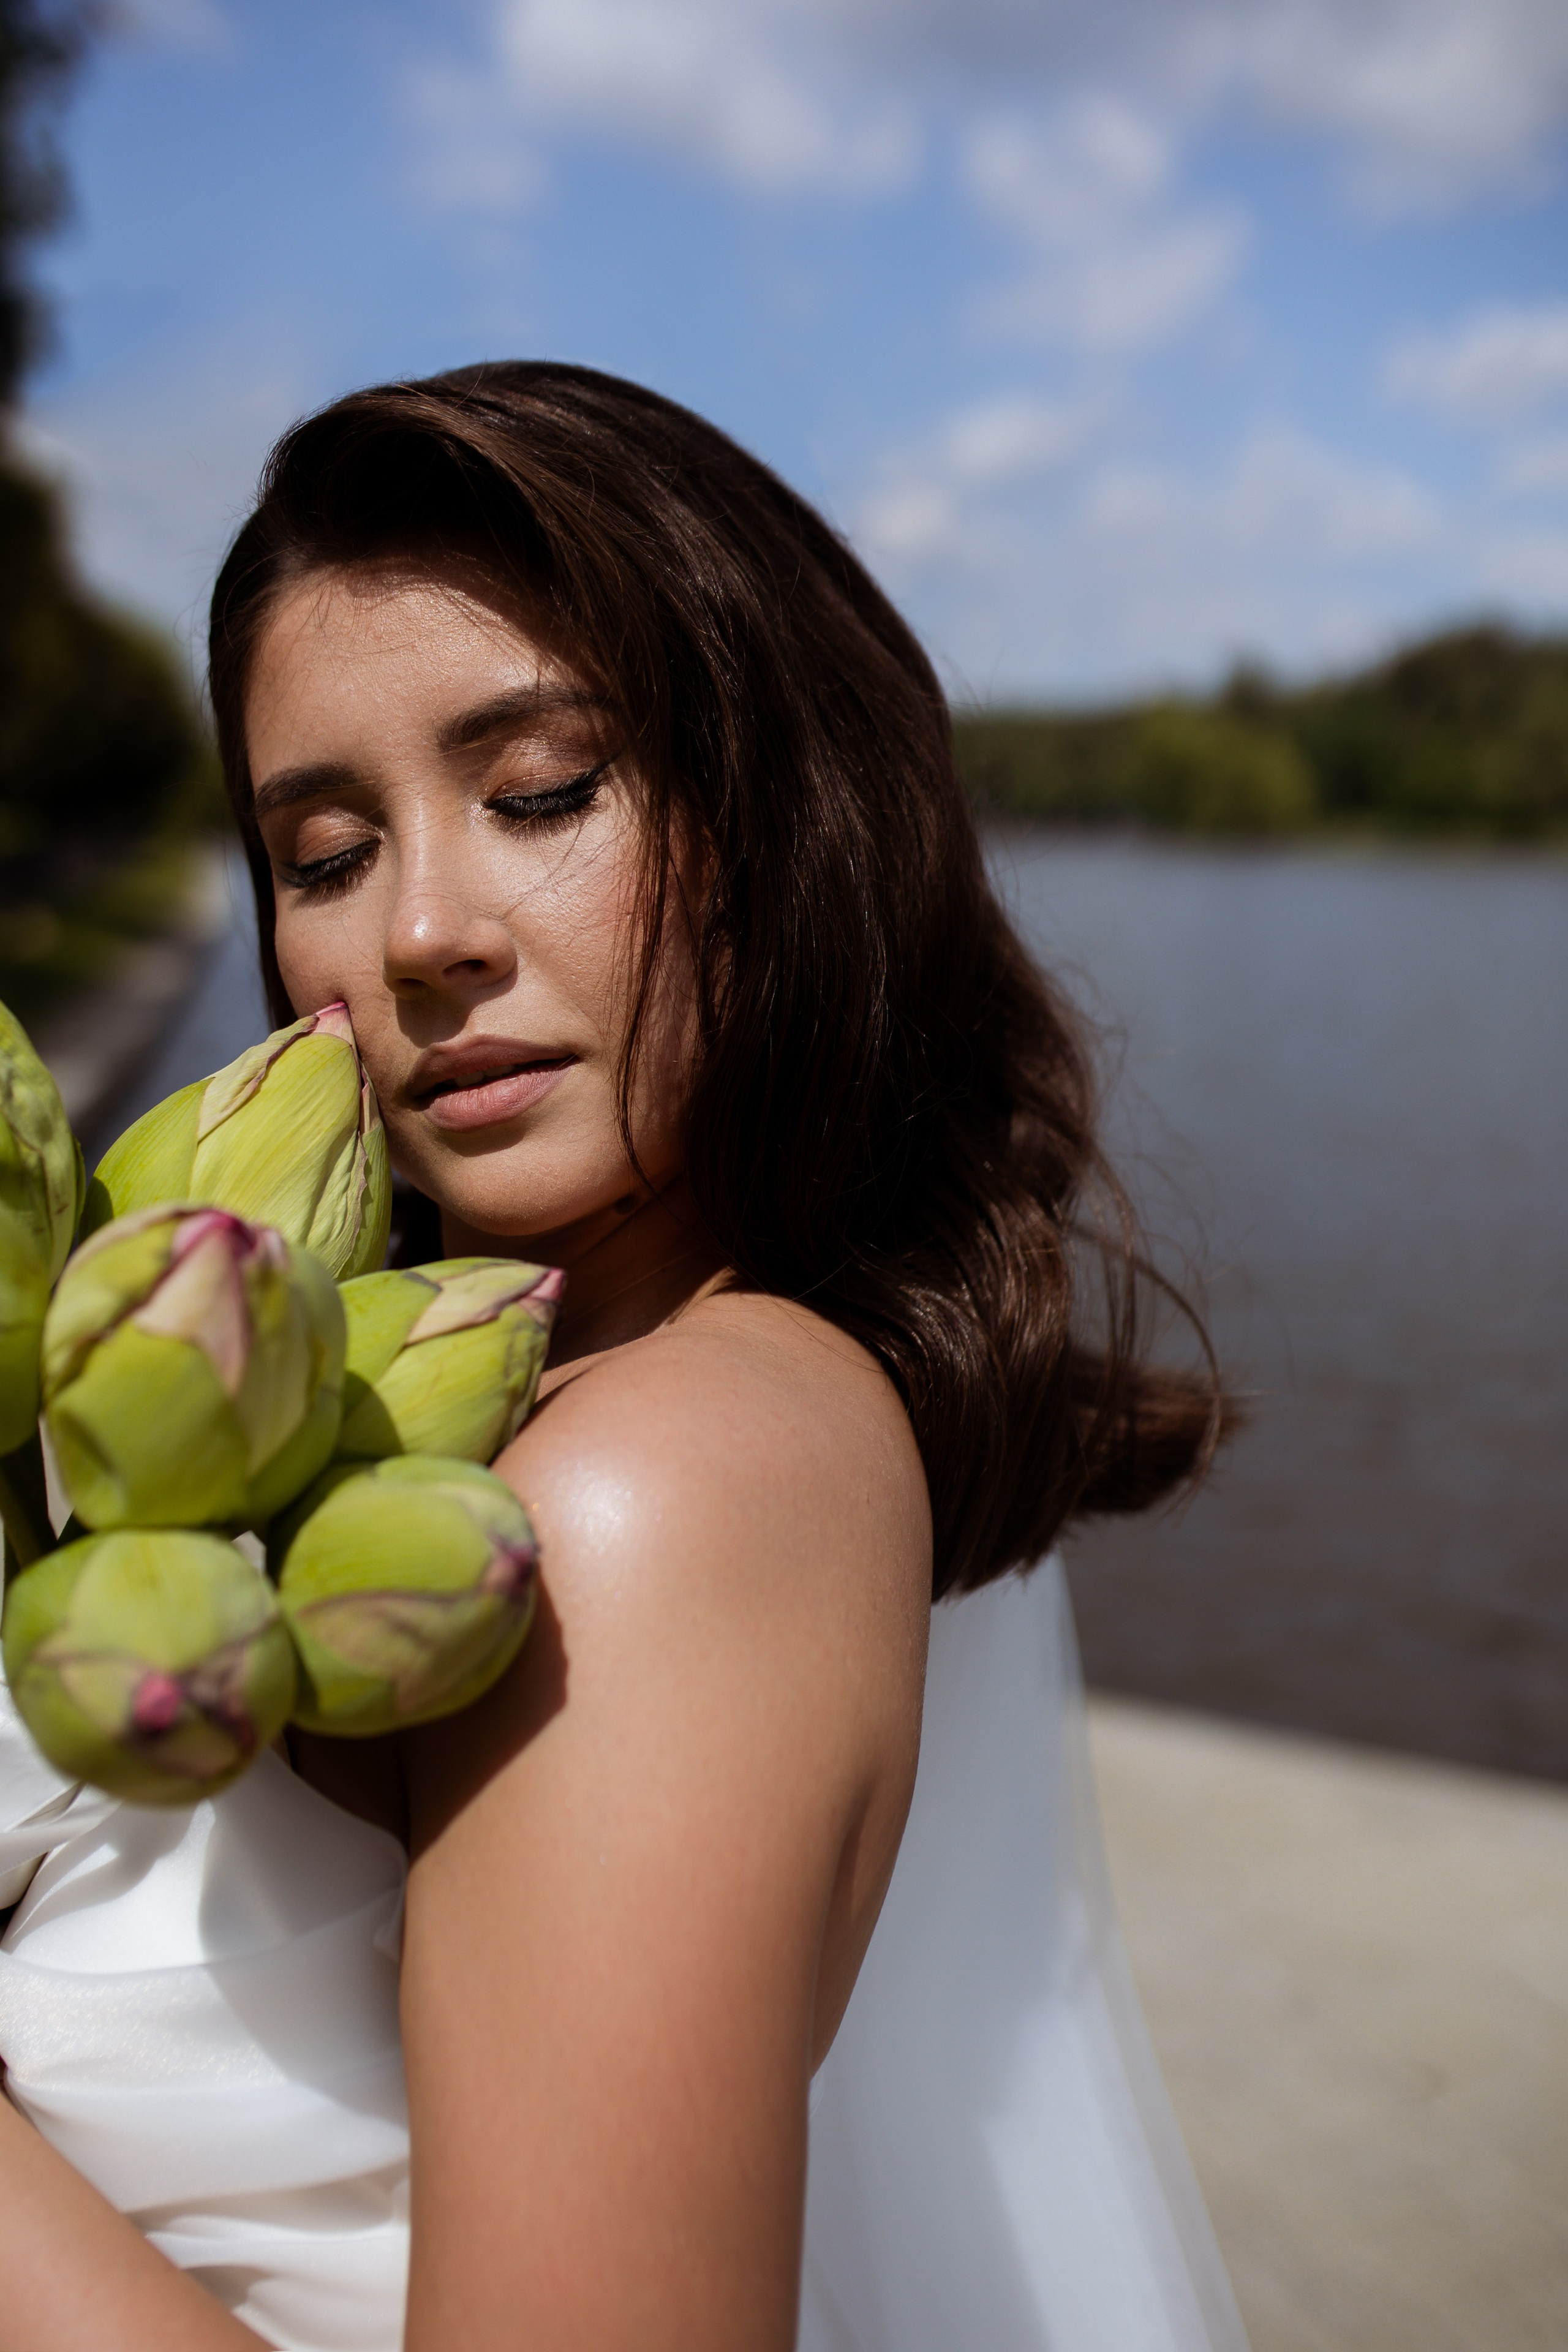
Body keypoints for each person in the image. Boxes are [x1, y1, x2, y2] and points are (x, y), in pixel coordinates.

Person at [0, 363, 1248, 2351]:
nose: (420, 930)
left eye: (542, 792)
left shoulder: (646, 1485)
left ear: (786, 811)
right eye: (321, 851)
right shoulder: (542, 1428)